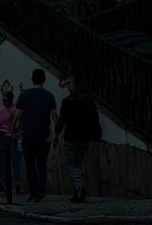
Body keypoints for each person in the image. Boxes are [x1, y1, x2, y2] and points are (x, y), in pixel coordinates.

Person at [12, 68, 57, 202]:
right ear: (44, 80)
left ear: (32, 79)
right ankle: (41, 190)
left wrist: (13, 128)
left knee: (30, 164)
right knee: (41, 164)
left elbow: (18, 114)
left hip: (28, 135)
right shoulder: (49, 96)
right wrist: (58, 134)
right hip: (43, 135)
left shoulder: (24, 95)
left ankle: (34, 192)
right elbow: (54, 117)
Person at [54, 74, 100, 203]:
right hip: (85, 138)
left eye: (69, 83)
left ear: (75, 85)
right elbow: (95, 118)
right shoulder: (89, 101)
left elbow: (62, 120)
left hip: (71, 138)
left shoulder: (67, 102)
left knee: (72, 165)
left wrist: (56, 135)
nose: (66, 85)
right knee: (77, 164)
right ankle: (76, 193)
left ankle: (79, 187)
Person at [0, 91, 21, 194]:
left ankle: (3, 186)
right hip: (13, 138)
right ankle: (17, 185)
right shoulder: (16, 111)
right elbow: (19, 125)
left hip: (3, 137)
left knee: (2, 163)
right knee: (15, 162)